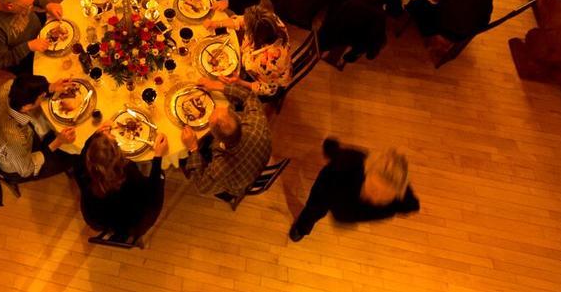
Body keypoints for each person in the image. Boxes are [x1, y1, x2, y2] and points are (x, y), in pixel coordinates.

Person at [288, 139, 420, 242]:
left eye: (384, 196)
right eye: (373, 189)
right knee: (314, 210)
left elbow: (412, 205)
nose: (376, 198)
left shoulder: (401, 197)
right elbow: (321, 197)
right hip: (332, 189)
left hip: (346, 204)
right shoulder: (344, 167)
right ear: (366, 171)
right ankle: (301, 228)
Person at [180, 77, 272, 199]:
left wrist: (193, 148)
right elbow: (250, 96)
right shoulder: (256, 122)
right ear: (237, 118)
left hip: (239, 182)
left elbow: (202, 188)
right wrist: (216, 86)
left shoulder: (222, 167)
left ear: (215, 137)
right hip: (257, 158)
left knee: (183, 159)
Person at [76, 126, 169, 241]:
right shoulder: (129, 175)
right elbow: (153, 192)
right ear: (119, 156)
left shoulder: (81, 171)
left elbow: (83, 153)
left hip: (96, 219)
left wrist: (96, 136)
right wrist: (158, 157)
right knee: (158, 176)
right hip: (131, 224)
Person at [0, 74, 77, 180]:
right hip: (19, 164)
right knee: (71, 156)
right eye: (42, 96)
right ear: (27, 107)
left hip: (8, 139)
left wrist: (50, 87)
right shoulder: (14, 138)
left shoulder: (9, 86)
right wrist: (58, 142)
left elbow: (29, 88)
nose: (44, 95)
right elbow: (27, 170)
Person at [205, 7, 291, 98]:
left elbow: (270, 89)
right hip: (253, 64)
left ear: (255, 35)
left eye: (247, 29)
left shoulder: (268, 62)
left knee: (219, 91)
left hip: (266, 82)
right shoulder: (270, 20)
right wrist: (215, 24)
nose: (244, 25)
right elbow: (242, 21)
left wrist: (239, 82)